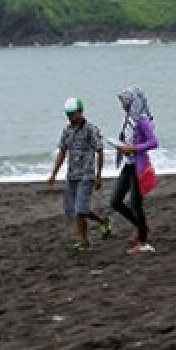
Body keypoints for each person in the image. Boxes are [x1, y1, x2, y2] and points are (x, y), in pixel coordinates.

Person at [47, 98, 109, 251]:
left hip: (87, 175)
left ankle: (84, 241)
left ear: (80, 112)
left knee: (80, 209)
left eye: (73, 114)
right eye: (68, 114)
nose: (70, 117)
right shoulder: (66, 131)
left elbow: (100, 151)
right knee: (73, 210)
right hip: (72, 175)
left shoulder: (91, 129)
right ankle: (102, 222)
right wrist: (53, 173)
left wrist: (99, 175)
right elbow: (62, 152)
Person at [111, 86, 159, 255]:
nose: (122, 105)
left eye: (123, 102)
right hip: (128, 164)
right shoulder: (130, 119)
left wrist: (133, 148)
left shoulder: (141, 120)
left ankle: (143, 242)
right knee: (115, 201)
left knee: (135, 204)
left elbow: (153, 142)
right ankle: (141, 227)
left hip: (138, 167)